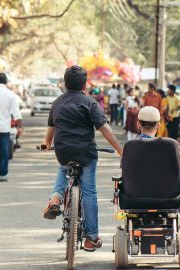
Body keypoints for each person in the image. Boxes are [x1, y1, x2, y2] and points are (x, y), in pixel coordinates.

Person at [42, 65, 123, 252]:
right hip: (86, 153)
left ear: (65, 84)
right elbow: (104, 128)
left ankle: (55, 199)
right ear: (84, 84)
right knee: (89, 193)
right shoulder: (89, 103)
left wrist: (47, 144)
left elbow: (51, 131)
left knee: (63, 168)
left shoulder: (57, 103)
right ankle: (91, 238)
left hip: (63, 151)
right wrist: (119, 149)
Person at [126, 106, 180, 181]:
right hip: (168, 192)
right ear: (158, 126)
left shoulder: (130, 146)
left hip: (136, 191)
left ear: (138, 125)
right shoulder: (169, 146)